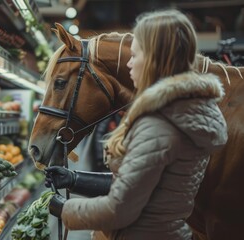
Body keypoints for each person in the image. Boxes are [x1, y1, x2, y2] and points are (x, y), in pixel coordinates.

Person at [45, 9, 228, 240]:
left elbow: (119, 210)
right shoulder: (184, 114)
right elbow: (144, 184)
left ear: (154, 58)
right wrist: (75, 180)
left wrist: (63, 209)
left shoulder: (159, 125)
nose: (129, 64)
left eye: (135, 55)